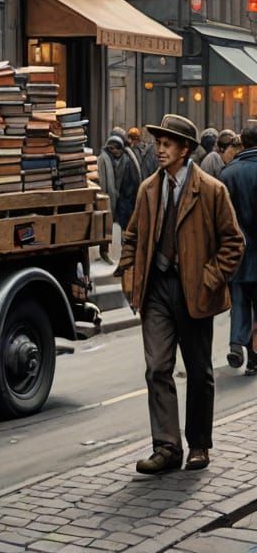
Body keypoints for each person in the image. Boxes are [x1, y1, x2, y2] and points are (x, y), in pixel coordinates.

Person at [116, 113, 243, 474]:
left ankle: (199, 445)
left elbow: (234, 242)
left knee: (199, 371)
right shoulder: (148, 189)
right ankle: (167, 447)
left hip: (194, 291)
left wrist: (209, 277)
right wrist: (129, 273)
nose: (159, 150)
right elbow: (132, 236)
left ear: (185, 149)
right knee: (157, 367)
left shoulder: (211, 190)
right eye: (158, 143)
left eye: (167, 144)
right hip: (156, 289)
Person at [221, 123, 257, 375]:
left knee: (239, 301)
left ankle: (237, 343)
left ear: (241, 143)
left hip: (237, 252)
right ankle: (255, 357)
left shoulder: (227, 173)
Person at [97, 134, 130, 263]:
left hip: (113, 197)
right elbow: (102, 181)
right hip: (105, 198)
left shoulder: (118, 160)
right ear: (111, 148)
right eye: (117, 149)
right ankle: (103, 251)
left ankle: (105, 250)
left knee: (109, 226)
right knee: (105, 226)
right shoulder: (103, 159)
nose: (119, 152)